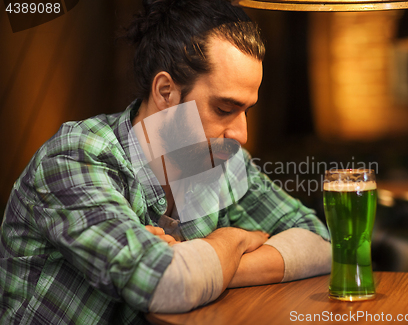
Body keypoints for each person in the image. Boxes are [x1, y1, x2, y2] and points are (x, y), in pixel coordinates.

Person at [0, 0, 331, 324]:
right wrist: (231, 239)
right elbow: (165, 284)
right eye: (224, 109)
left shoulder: (221, 159)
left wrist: (202, 264)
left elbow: (320, 241)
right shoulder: (76, 155)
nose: (241, 134)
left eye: (247, 110)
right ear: (165, 91)